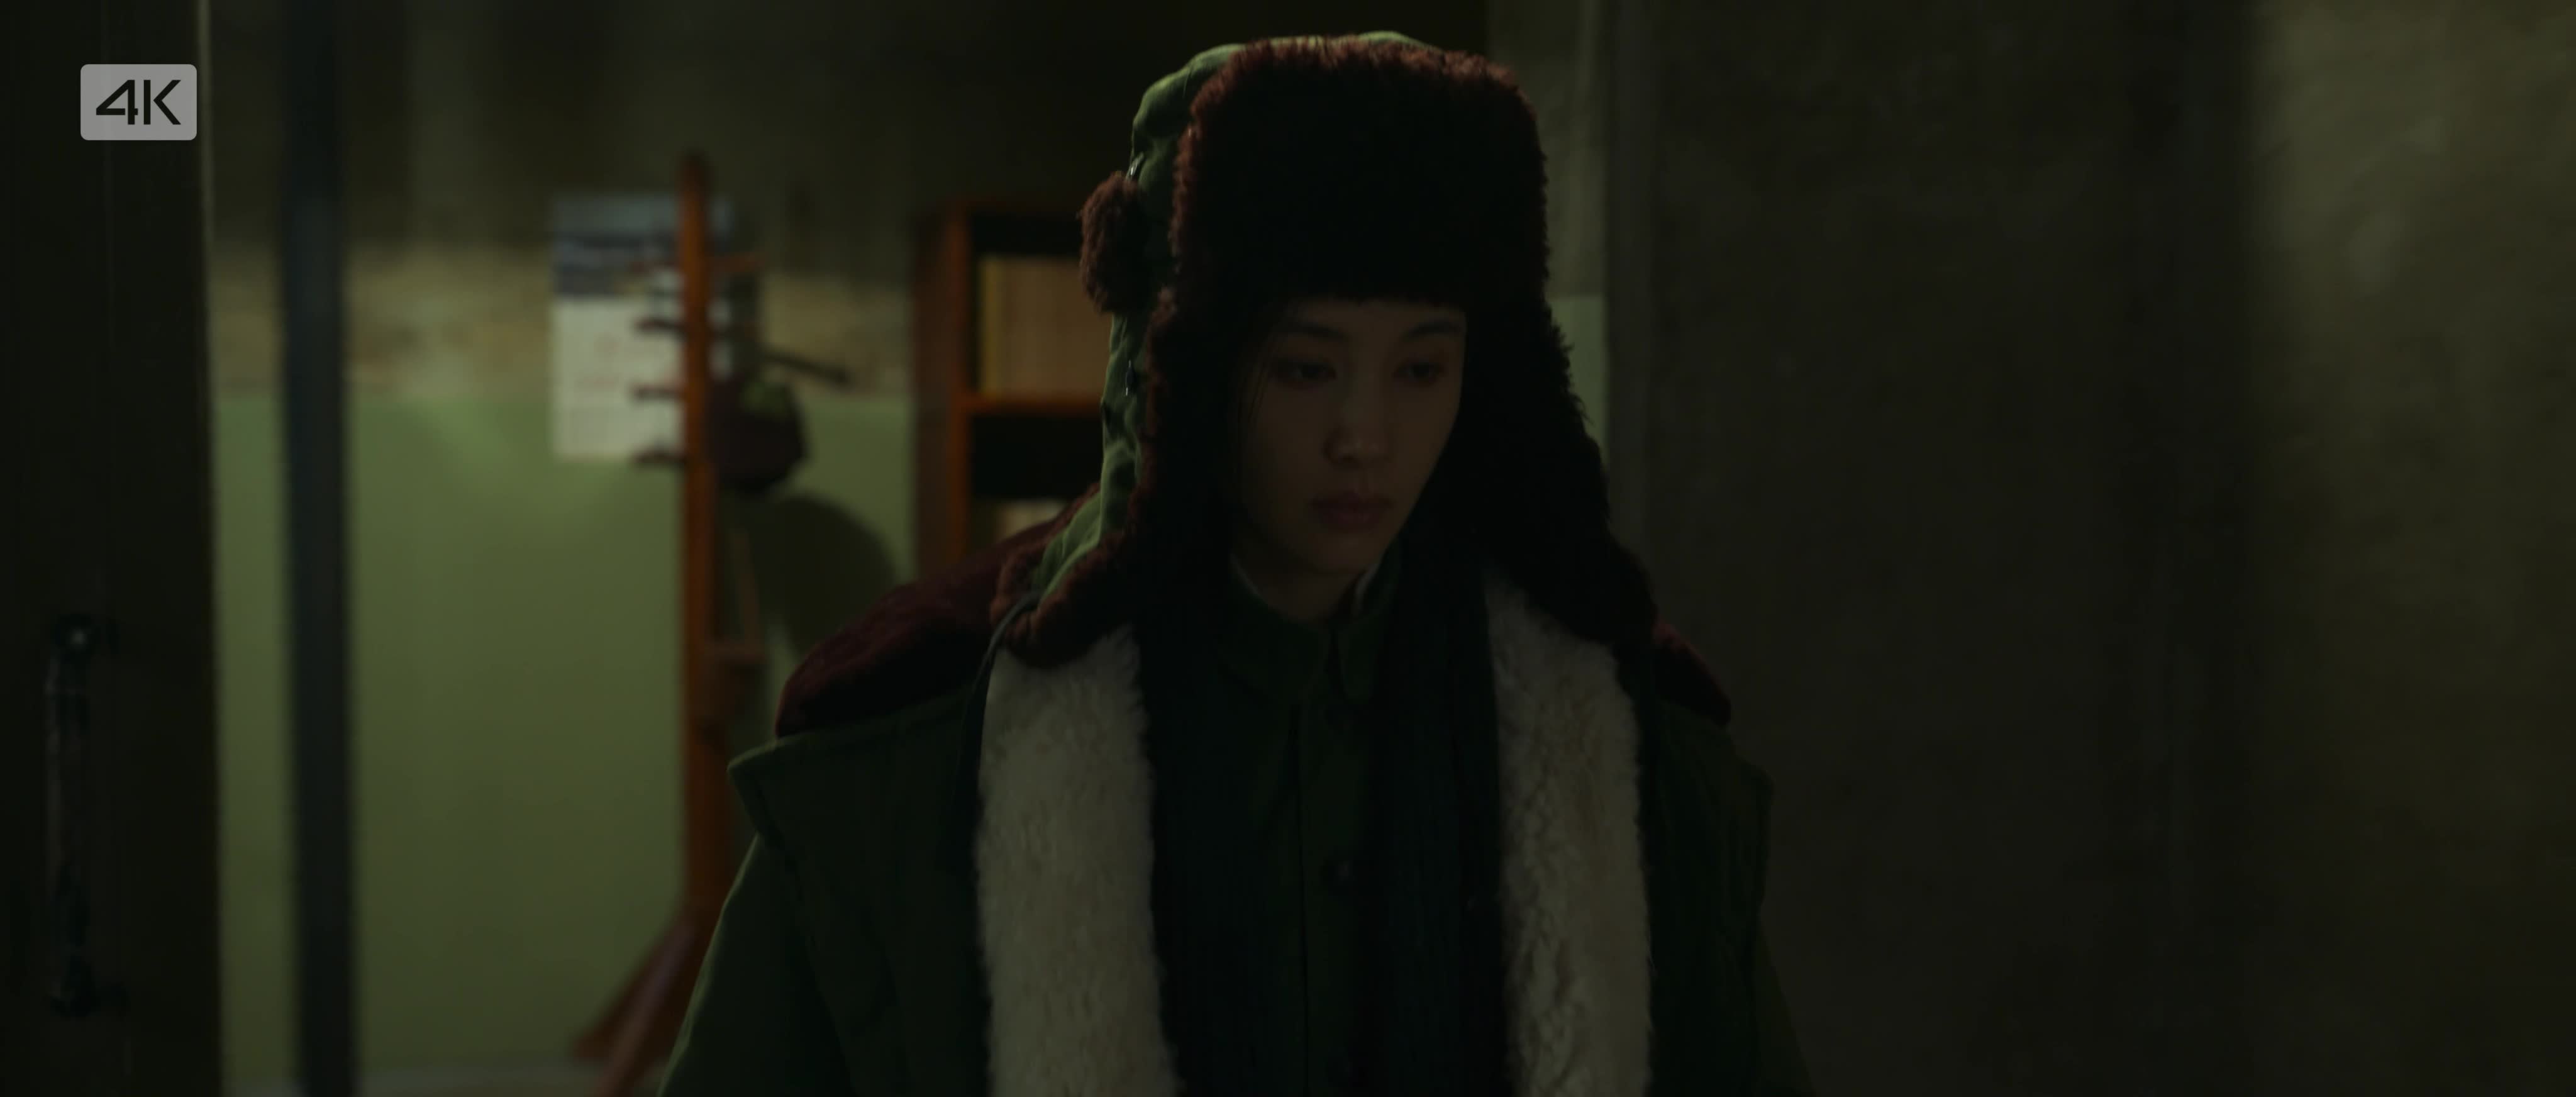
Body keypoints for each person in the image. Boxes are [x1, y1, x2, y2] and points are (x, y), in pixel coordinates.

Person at [660, 31, 1811, 1096]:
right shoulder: (913, 757)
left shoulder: (1623, 753)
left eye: (1422, 369)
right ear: (1187, 367)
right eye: (1306, 367)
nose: (1366, 436)